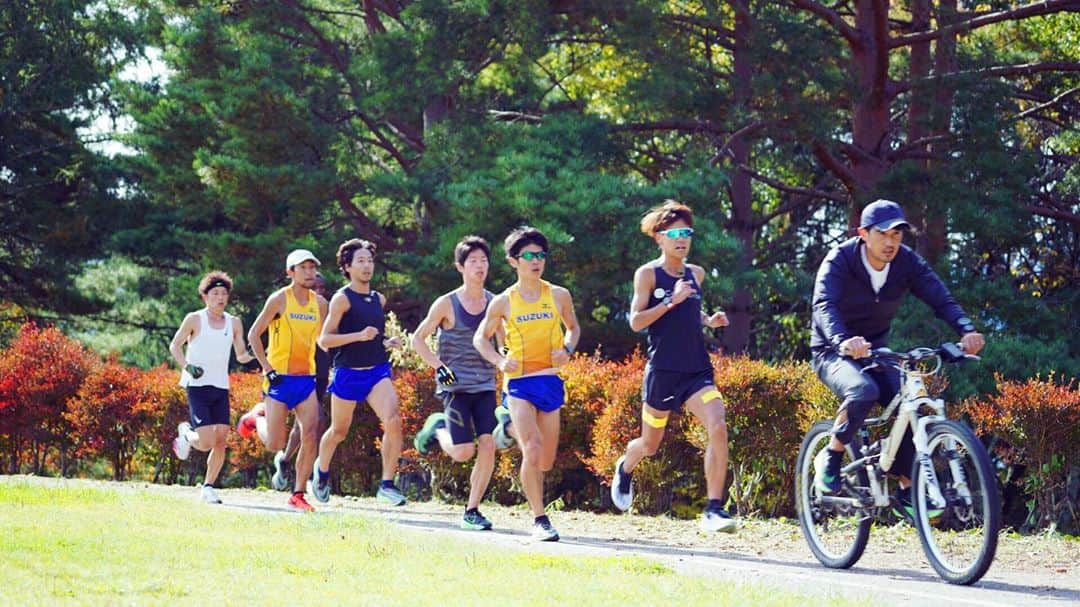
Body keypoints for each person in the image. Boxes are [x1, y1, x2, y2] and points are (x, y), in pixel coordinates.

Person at [810, 199, 985, 519]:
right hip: (832, 349)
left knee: (910, 400)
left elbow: (939, 296)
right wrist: (842, 341)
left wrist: (966, 330)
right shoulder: (840, 260)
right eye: (883, 234)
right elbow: (824, 306)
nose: (891, 242)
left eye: (898, 234)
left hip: (877, 348)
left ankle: (907, 487)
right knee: (864, 391)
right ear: (863, 233)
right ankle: (831, 455)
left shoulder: (906, 262)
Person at [608, 201, 737, 532]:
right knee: (650, 445)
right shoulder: (648, 274)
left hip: (696, 372)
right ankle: (626, 467)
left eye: (687, 233)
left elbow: (690, 312)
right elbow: (636, 322)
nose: (682, 240)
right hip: (663, 373)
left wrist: (709, 320)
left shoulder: (696, 274)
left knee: (718, 424)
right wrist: (670, 300)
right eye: (675, 234)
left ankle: (713, 509)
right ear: (659, 239)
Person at [473, 226, 580, 542]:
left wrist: (567, 350)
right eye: (529, 256)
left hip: (549, 380)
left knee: (545, 460)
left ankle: (505, 430)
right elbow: (480, 337)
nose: (536, 261)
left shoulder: (558, 295)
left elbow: (573, 328)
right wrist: (499, 361)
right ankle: (539, 519)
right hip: (518, 383)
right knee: (532, 450)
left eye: (540, 255)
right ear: (513, 261)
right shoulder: (505, 301)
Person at [411, 236, 503, 530]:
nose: (480, 266)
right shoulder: (446, 303)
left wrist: (507, 361)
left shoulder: (495, 303)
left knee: (488, 444)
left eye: (484, 261)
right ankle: (438, 428)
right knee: (464, 452)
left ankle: (472, 510)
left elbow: (503, 345)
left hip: (485, 385)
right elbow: (418, 339)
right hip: (456, 386)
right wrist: (439, 367)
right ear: (460, 267)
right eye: (473, 261)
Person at [311, 238, 407, 506]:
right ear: (348, 267)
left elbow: (372, 335)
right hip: (347, 373)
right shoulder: (341, 299)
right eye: (360, 261)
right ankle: (321, 471)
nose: (367, 266)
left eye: (370, 261)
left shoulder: (379, 298)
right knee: (339, 431)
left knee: (393, 420)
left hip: (377, 370)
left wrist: (386, 342)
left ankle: (387, 484)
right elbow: (325, 340)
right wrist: (358, 336)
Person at [238, 249, 329, 512]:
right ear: (290, 272)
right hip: (279, 380)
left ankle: (298, 494)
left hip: (306, 381)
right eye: (304, 268)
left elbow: (324, 340)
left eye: (313, 268)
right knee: (274, 444)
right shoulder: (279, 300)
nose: (310, 273)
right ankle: (256, 418)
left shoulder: (320, 304)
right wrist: (267, 368)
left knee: (311, 432)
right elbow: (254, 335)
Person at [168, 271, 255, 504]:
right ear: (205, 296)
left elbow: (241, 354)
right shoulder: (195, 319)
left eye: (224, 294)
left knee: (221, 440)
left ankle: (208, 487)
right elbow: (175, 345)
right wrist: (187, 366)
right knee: (205, 442)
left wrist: (259, 356)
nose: (220, 298)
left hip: (220, 386)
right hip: (197, 385)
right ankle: (186, 434)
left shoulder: (234, 322)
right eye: (215, 293)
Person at [271, 272, 332, 491]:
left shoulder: (324, 308)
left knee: (312, 425)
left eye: (321, 288)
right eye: (314, 287)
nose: (317, 291)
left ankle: (297, 472)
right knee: (306, 426)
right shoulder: (286, 304)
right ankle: (288, 461)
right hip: (291, 372)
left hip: (319, 372)